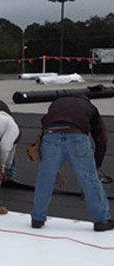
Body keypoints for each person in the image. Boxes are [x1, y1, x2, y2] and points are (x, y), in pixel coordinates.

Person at [31, 95, 112, 231]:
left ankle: (37, 219)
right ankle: (101, 221)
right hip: (77, 137)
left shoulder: (56, 103)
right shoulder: (90, 107)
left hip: (51, 135)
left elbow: (46, 122)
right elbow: (101, 138)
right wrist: (96, 165)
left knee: (45, 179)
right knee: (90, 180)